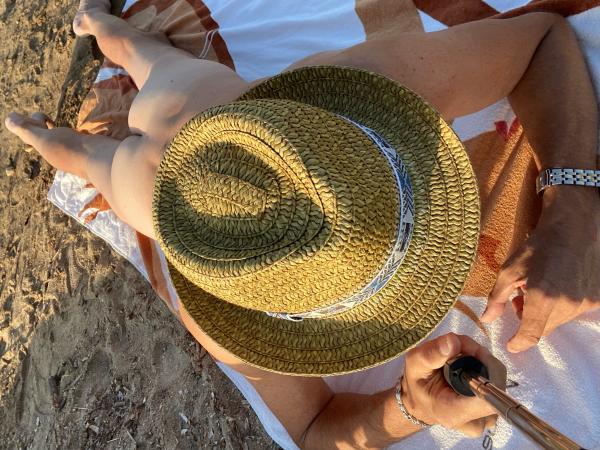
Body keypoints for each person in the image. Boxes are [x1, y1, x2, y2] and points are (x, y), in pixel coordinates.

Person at [4, 1, 599, 448]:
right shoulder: (227, 321)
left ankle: (83, 53)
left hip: (192, 111)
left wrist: (571, 217)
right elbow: (315, 430)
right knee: (101, 151)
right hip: (158, 179)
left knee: (140, 76)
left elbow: (542, 35)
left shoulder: (364, 84)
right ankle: (54, 116)